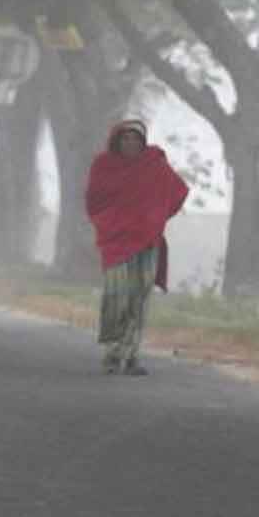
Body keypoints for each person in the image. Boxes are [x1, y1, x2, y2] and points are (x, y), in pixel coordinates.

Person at [85, 119, 189, 376]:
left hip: (147, 240)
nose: (130, 143)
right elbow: (94, 202)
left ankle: (130, 355)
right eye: (125, 138)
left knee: (139, 298)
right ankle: (112, 352)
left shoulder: (154, 164)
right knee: (116, 295)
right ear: (116, 141)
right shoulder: (104, 166)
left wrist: (156, 217)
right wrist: (108, 224)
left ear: (143, 142)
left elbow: (177, 191)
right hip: (116, 241)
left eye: (136, 139)